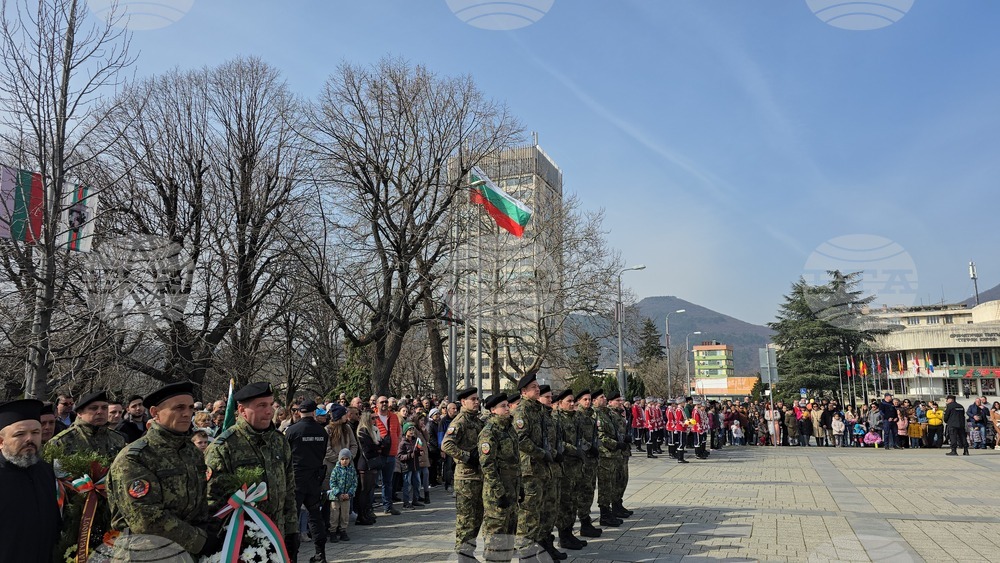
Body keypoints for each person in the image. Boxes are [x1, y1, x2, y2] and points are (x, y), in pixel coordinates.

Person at [107, 382, 221, 558]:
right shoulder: (135, 457)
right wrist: (200, 541)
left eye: (190, 407)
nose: (186, 413)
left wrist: (214, 531)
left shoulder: (191, 452)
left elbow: (199, 507)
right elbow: (146, 520)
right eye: (178, 407)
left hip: (188, 553)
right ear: (154, 413)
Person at [205, 383, 299, 558]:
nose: (269, 411)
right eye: (262, 405)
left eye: (271, 404)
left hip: (278, 535)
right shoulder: (224, 447)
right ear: (242, 410)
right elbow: (212, 501)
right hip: (243, 541)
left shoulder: (279, 441)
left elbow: (289, 490)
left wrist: (292, 530)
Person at [0, 399, 61, 563]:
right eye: (20, 434)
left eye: (35, 432)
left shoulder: (45, 471)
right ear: (1, 442)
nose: (30, 439)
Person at [513, 374, 561, 561]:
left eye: (537, 386)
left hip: (544, 469)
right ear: (524, 392)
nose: (538, 389)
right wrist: (541, 453)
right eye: (533, 387)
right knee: (529, 516)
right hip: (530, 471)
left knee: (545, 512)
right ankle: (525, 555)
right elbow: (521, 439)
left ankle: (542, 550)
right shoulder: (522, 411)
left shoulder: (540, 410)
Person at [441, 387, 484, 562]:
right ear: (463, 402)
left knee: (476, 517)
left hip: (478, 476)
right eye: (473, 399)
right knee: (466, 518)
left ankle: (469, 553)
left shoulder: (477, 421)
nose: (476, 402)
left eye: (477, 399)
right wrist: (467, 457)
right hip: (466, 477)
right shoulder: (460, 421)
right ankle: (463, 555)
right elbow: (447, 445)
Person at [285, 398, 329, 561]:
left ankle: (292, 557)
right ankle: (320, 554)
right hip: (314, 479)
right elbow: (323, 453)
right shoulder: (321, 431)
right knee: (315, 517)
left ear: (300, 412)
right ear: (313, 412)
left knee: (292, 520)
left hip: (296, 479)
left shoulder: (292, 431)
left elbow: (286, 455)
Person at [479, 393, 520, 563]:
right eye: (503, 406)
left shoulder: (509, 429)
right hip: (497, 494)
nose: (507, 409)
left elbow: (516, 461)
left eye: (507, 405)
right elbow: (488, 466)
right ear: (493, 410)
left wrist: (521, 486)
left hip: (512, 489)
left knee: (509, 535)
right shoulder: (489, 433)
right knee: (496, 536)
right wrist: (499, 492)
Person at [46, 390, 126, 459]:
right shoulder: (61, 441)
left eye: (104, 408)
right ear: (80, 413)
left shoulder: (118, 439)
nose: (100, 412)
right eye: (94, 408)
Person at [553, 389, 586, 552]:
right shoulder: (556, 418)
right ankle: (563, 536)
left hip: (576, 467)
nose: (572, 404)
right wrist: (575, 450)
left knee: (573, 501)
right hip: (564, 467)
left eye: (574, 401)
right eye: (569, 401)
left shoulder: (576, 418)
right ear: (560, 403)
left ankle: (569, 532)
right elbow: (557, 442)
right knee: (564, 503)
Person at [574, 389, 603, 538]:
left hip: (591, 460)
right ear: (578, 401)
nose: (588, 402)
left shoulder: (591, 416)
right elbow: (577, 437)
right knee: (583, 492)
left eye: (589, 399)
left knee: (590, 489)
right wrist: (588, 448)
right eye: (584, 399)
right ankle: (584, 522)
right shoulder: (577, 416)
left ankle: (587, 521)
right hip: (583, 459)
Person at [595, 388, 623, 529]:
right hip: (604, 455)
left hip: (612, 455)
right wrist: (616, 444)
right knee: (605, 486)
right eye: (602, 397)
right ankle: (604, 515)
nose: (604, 399)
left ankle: (610, 511)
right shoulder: (597, 415)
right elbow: (601, 437)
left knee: (613, 484)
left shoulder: (605, 414)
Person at [373, 395, 402, 516]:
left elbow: (398, 433)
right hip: (377, 455)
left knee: (387, 482)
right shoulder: (373, 417)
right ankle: (369, 508)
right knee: (372, 483)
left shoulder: (394, 417)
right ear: (377, 404)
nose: (384, 404)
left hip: (391, 454)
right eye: (382, 402)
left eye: (386, 402)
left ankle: (388, 506)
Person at [354, 410, 385, 526]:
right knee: (364, 491)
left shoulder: (371, 431)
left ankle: (366, 513)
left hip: (370, 463)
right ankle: (361, 515)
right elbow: (370, 447)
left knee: (368, 490)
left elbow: (378, 444)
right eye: (372, 418)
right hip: (365, 463)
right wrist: (377, 446)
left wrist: (378, 446)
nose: (374, 420)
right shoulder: (363, 431)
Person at [328, 448, 357, 543]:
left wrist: (349, 493)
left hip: (347, 497)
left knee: (345, 515)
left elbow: (354, 482)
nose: (344, 461)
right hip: (336, 497)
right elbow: (332, 482)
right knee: (334, 514)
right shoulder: (336, 470)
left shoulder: (352, 470)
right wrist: (338, 493)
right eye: (343, 459)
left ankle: (343, 530)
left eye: (347, 459)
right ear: (339, 459)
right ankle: (333, 531)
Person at [396, 422, 423, 509]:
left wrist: (419, 452)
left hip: (415, 466)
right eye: (409, 430)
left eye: (412, 429)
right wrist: (409, 455)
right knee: (407, 485)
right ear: (405, 431)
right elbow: (399, 456)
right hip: (407, 467)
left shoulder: (415, 440)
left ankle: (415, 500)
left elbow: (417, 452)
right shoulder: (403, 443)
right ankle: (406, 503)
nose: (411, 431)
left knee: (417, 483)